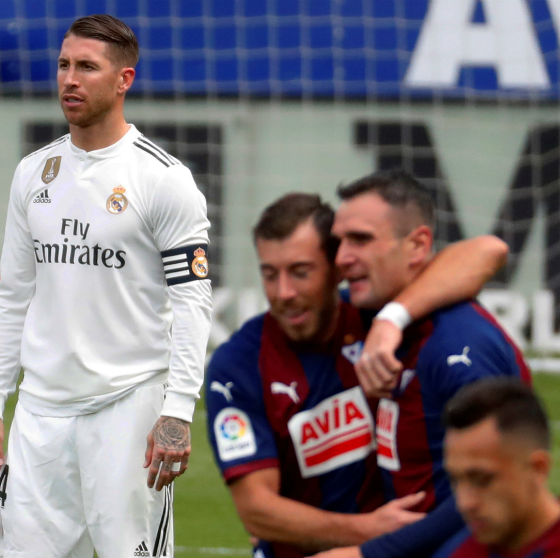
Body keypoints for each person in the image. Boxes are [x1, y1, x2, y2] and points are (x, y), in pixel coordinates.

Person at [0, 14, 212, 558]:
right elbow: (12, 296)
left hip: (127, 407)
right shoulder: (34, 173)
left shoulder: (163, 179)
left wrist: (176, 411)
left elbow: (192, 303)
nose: (69, 80)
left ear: (124, 79)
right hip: (39, 412)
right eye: (63, 65)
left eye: (86, 67)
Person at [205, 192, 506, 557]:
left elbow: (487, 251)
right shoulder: (238, 364)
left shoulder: (374, 316)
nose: (283, 292)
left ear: (337, 268)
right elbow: (256, 509)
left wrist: (390, 320)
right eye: (270, 274)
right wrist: (367, 532)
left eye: (300, 272)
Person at [312, 169, 531, 558]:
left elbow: (491, 494)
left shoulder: (458, 346)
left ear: (417, 246)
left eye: (361, 239)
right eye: (338, 242)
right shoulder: (373, 318)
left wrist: (367, 554)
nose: (343, 258)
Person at [437, 377, 560, 557]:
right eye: (455, 480)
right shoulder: (464, 551)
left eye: (482, 480)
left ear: (538, 469)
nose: (465, 503)